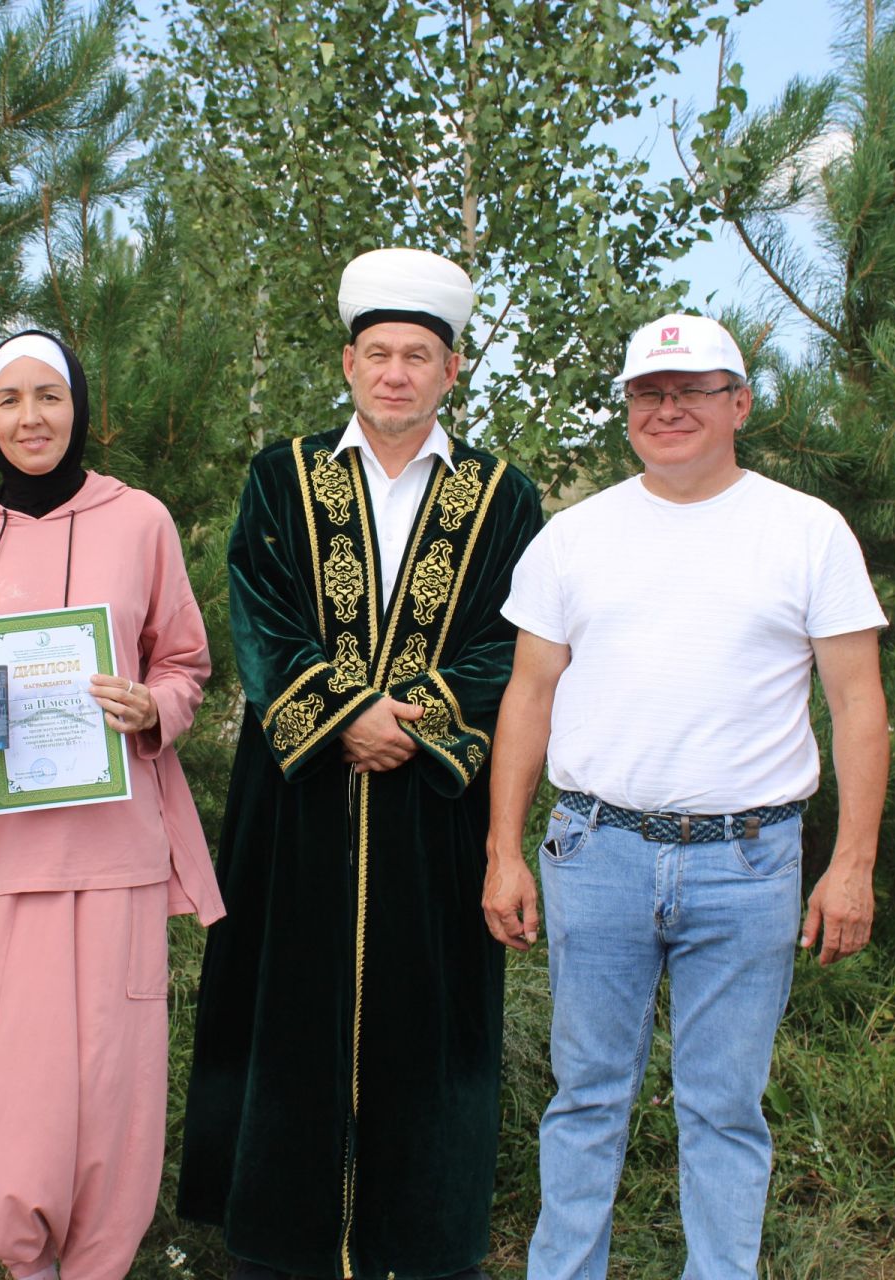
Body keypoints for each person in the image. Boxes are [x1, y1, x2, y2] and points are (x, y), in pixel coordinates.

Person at [484, 313, 890, 1279]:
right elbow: (528, 697)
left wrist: (852, 865)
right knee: (585, 1096)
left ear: (738, 404)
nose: (668, 409)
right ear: (628, 410)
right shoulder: (573, 538)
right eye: (648, 394)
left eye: (694, 390)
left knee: (724, 1108)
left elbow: (858, 703)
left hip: (750, 863)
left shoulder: (807, 532)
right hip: (597, 853)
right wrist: (505, 849)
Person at [178, 248, 544, 1280]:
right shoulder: (282, 475)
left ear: (453, 370)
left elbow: (510, 640)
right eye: (378, 352)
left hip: (433, 808)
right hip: (297, 803)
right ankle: (277, 1244)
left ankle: (422, 1245)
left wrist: (410, 723)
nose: (395, 373)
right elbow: (260, 611)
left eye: (417, 355)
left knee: (429, 1028)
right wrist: (341, 715)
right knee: (285, 1013)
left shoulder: (503, 498)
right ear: (347, 361)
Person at [0, 329, 224, 1280]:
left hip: (112, 848)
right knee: (3, 1086)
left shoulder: (141, 520)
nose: (30, 418)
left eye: (50, 397)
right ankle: (17, 1255)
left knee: (106, 1077)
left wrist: (153, 706)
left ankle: (98, 1263)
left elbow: (185, 662)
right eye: (9, 400)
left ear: (80, 407)